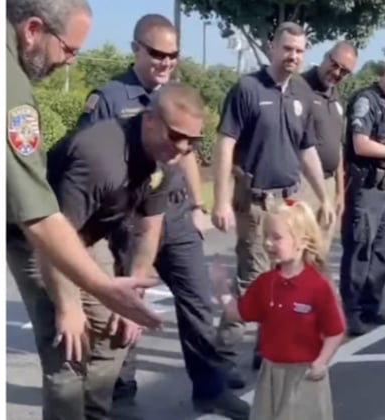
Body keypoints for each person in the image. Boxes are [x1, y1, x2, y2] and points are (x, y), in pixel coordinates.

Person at [75, 14, 246, 418]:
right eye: (157, 53)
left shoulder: (177, 95)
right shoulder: (110, 99)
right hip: (129, 222)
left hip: (176, 217)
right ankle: (121, 390)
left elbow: (183, 155)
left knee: (198, 300)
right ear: (136, 48)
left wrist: (199, 207)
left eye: (173, 55)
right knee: (126, 304)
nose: (165, 62)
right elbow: (92, 160)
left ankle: (210, 387)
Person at [6, 0, 159, 366]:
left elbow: (150, 224)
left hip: (66, 236)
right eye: (69, 48)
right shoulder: (14, 87)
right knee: (66, 355)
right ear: (32, 30)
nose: (70, 61)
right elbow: (40, 215)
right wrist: (96, 291)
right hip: (37, 237)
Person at [40, 83, 206, 419]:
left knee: (117, 331)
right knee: (67, 348)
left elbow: (150, 229)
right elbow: (52, 236)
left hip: (87, 234)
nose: (182, 148)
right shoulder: (100, 155)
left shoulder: (168, 159)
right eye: (175, 135)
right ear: (149, 120)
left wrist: (133, 297)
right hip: (38, 237)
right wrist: (69, 307)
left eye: (192, 141)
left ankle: (95, 413)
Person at [211, 22, 333, 384]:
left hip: (289, 204)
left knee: (285, 279)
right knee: (253, 282)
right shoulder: (247, 90)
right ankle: (222, 360)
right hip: (256, 203)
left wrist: (324, 196)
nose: (293, 55)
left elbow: (306, 147)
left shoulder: (301, 93)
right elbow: (224, 144)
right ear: (271, 48)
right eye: (287, 48)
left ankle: (267, 354)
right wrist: (219, 200)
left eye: (299, 50)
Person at [210, 199, 344, 420]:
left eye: (277, 237)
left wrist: (320, 363)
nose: (268, 244)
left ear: (302, 241)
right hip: (271, 373)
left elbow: (334, 331)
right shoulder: (265, 283)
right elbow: (238, 313)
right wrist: (220, 286)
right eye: (266, 237)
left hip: (304, 374)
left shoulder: (317, 286)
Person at [341, 58, 385, 335]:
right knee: (360, 249)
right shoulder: (367, 100)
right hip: (366, 186)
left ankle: (373, 306)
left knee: (383, 251)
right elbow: (360, 144)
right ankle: (352, 312)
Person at [297, 42, 357, 256]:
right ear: (325, 56)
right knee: (297, 252)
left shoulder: (337, 98)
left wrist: (340, 194)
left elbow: (338, 147)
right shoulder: (299, 88)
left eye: (344, 71)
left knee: (319, 253)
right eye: (335, 64)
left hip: (330, 184)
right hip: (302, 184)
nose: (337, 72)